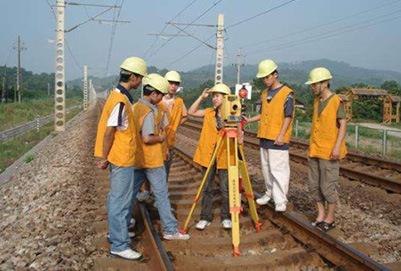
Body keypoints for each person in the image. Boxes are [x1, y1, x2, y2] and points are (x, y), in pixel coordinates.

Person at [94, 57, 147, 261]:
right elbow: (109, 132)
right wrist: (104, 157)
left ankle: (116, 233)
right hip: (121, 158)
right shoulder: (120, 101)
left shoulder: (118, 96)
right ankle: (119, 244)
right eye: (140, 77)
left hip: (121, 156)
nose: (141, 81)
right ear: (132, 77)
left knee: (117, 198)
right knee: (120, 201)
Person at [130, 73, 190, 240]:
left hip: (138, 158)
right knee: (162, 195)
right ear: (154, 94)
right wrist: (162, 139)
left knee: (130, 193)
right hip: (152, 160)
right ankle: (170, 229)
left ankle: (125, 223)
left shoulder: (135, 107)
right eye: (161, 95)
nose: (162, 98)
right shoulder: (148, 111)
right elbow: (148, 138)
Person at [245, 59, 294, 212]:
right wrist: (249, 120)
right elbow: (263, 114)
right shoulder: (265, 93)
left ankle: (280, 200)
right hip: (265, 136)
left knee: (278, 169)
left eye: (267, 77)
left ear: (275, 74)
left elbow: (288, 116)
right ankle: (269, 193)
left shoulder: (287, 93)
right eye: (263, 78)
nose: (265, 80)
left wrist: (281, 135)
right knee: (266, 168)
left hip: (277, 138)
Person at [305, 67, 347, 232]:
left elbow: (343, 124)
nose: (312, 87)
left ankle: (330, 218)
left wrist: (337, 146)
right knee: (314, 184)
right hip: (315, 149)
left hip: (330, 151)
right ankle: (321, 215)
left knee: (328, 186)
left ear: (325, 83)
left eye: (315, 84)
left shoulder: (336, 101)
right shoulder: (317, 101)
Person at [188, 83, 233, 230]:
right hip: (208, 155)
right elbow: (191, 111)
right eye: (214, 96)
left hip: (224, 155)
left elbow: (238, 134)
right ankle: (205, 217)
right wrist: (202, 97)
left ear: (225, 98)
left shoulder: (232, 115)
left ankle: (226, 216)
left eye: (217, 96)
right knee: (207, 187)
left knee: (226, 189)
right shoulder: (208, 112)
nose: (214, 99)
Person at [163, 70, 188, 179]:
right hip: (156, 141)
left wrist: (176, 125)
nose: (173, 86)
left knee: (165, 171)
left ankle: (159, 194)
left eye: (176, 84)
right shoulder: (158, 99)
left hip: (170, 141)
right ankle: (148, 191)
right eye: (170, 83)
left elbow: (185, 116)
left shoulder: (179, 101)